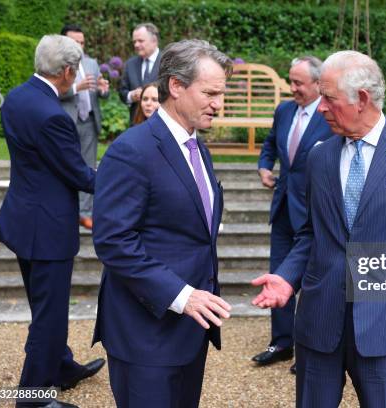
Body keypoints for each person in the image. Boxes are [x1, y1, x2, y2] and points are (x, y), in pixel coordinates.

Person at [252, 50, 386, 407]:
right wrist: (287, 277)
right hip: (320, 321)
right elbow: (309, 233)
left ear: (362, 99)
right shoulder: (319, 156)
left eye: (329, 99)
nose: (320, 108)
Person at [92, 39, 233, 408]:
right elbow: (113, 241)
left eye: (221, 93)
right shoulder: (131, 149)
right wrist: (183, 296)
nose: (219, 104)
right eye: (210, 93)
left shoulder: (198, 147)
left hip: (189, 332)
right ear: (175, 86)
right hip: (144, 334)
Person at [0, 34, 103, 408]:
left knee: (46, 307)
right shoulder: (53, 116)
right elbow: (78, 174)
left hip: (23, 218)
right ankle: (33, 397)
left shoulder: (17, 97)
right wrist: (124, 176)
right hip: (47, 228)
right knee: (49, 315)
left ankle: (61, 366)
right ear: (68, 72)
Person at [253, 56, 334, 373]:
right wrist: (263, 165)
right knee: (278, 274)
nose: (293, 88)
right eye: (291, 81)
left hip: (315, 212)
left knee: (313, 281)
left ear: (318, 84)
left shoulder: (330, 115)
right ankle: (282, 343)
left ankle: (311, 349)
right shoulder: (284, 110)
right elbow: (271, 143)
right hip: (283, 206)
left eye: (299, 82)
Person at [59, 24, 109, 230]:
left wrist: (104, 90)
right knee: (65, 166)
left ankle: (85, 213)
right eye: (74, 42)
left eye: (82, 42)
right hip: (66, 122)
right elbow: (51, 91)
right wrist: (74, 88)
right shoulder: (56, 64)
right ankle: (65, 210)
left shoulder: (91, 63)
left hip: (89, 120)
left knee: (88, 168)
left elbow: (100, 93)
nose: (79, 46)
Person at [119, 22, 161, 123]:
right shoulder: (130, 63)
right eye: (134, 42)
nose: (136, 45)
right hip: (136, 123)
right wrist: (131, 96)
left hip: (162, 124)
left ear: (154, 41)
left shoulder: (168, 62)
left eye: (140, 41)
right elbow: (122, 92)